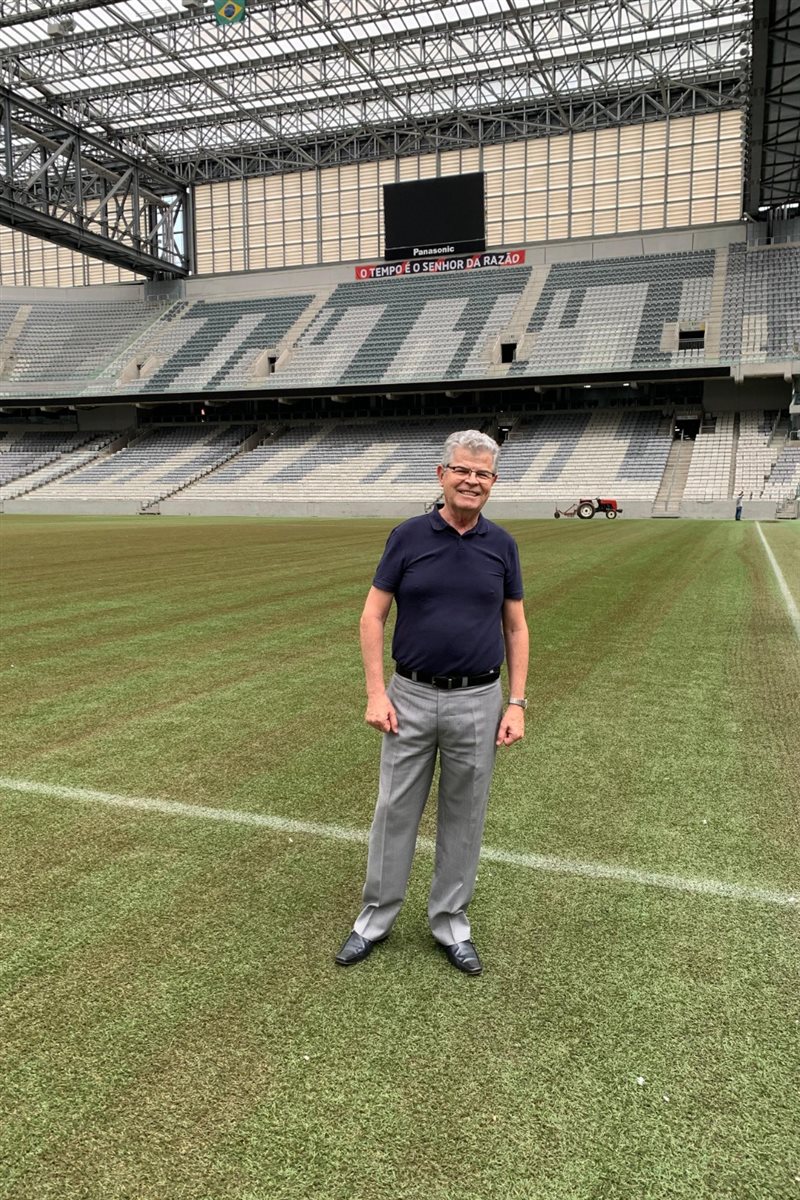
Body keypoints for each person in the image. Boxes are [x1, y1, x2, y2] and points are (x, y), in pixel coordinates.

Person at [335, 430, 529, 975]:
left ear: (493, 483)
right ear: (442, 474)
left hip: (479, 701)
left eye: (483, 474)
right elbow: (372, 616)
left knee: (465, 818)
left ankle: (451, 925)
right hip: (411, 697)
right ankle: (373, 919)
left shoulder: (502, 546)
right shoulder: (408, 537)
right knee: (393, 812)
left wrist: (515, 701)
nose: (472, 481)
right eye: (463, 470)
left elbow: (515, 626)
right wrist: (377, 692)